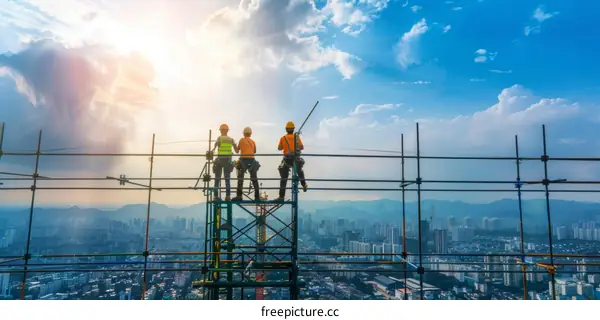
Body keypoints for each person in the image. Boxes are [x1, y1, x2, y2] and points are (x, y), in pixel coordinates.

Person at [275, 121, 308, 201]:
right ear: (293, 129)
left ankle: (281, 197)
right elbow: (302, 147)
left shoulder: (283, 138)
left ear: (286, 129)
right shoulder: (296, 137)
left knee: (284, 177)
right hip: (296, 159)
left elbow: (279, 148)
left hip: (287, 159)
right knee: (299, 170)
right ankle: (304, 184)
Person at [231, 127, 261, 201]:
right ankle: (257, 197)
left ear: (244, 133)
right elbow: (254, 151)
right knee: (254, 179)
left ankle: (239, 196)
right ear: (250, 134)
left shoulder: (241, 140)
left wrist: (234, 145)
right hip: (252, 160)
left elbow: (237, 151)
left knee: (240, 179)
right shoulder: (253, 142)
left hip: (243, 160)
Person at [212, 123, 239, 201]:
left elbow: (214, 148)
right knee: (227, 179)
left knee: (217, 178)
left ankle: (215, 196)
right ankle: (228, 196)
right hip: (227, 160)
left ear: (221, 131)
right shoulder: (231, 139)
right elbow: (237, 151)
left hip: (220, 159)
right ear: (227, 131)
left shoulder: (219, 138)